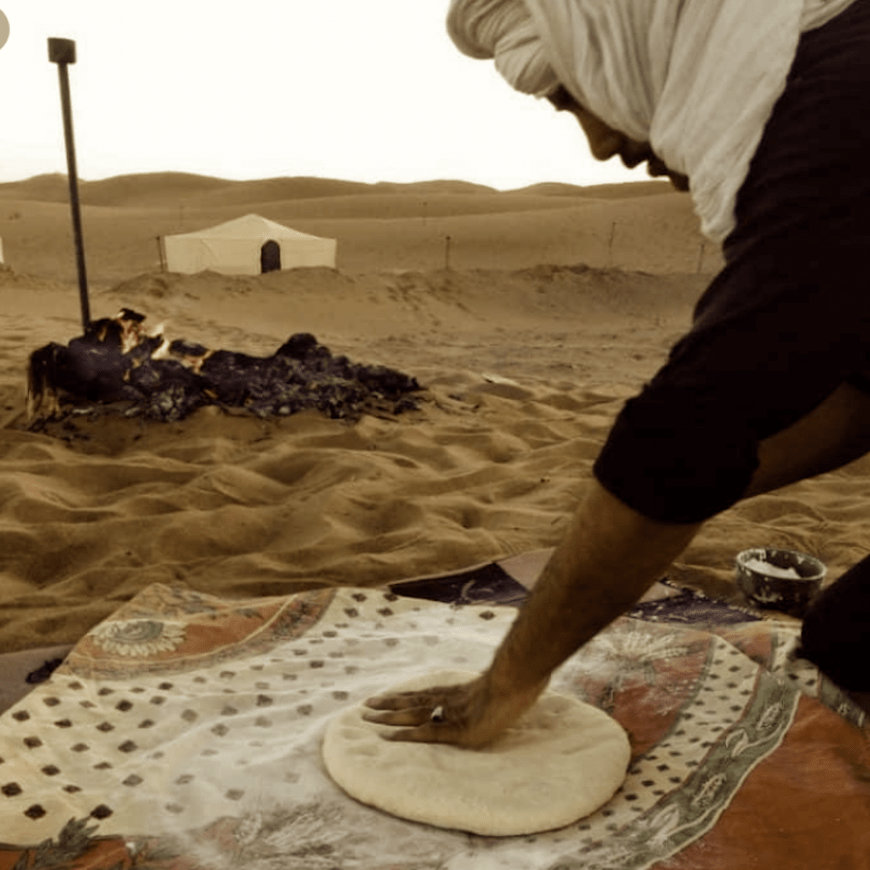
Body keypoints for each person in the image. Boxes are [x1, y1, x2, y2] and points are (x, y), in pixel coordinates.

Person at [364, 0, 870, 747]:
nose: (600, 145)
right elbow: (863, 392)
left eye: (572, 97)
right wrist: (659, 502)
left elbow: (694, 423)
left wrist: (508, 681)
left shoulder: (845, 110)